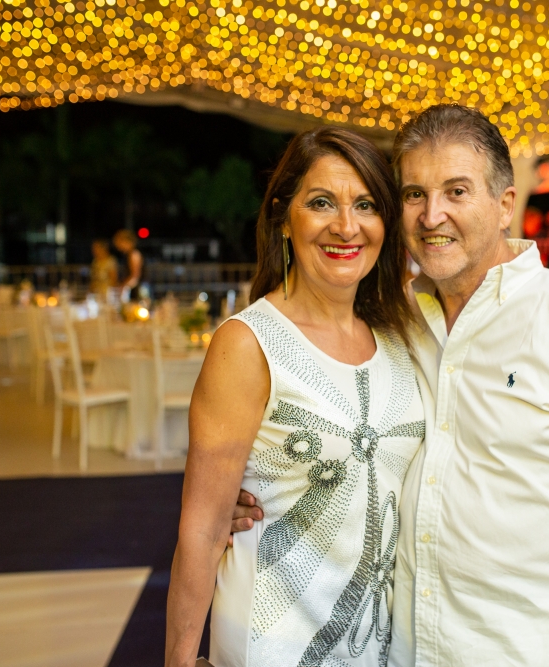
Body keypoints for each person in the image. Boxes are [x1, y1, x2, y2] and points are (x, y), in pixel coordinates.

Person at [232, 106, 549, 667]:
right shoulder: (393, 320)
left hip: (533, 652)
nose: (431, 215)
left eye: (456, 192)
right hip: (407, 650)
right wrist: (254, 495)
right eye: (414, 194)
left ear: (505, 204)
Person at [164, 127, 424, 667]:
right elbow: (203, 529)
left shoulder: (401, 341)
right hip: (271, 642)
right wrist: (180, 660)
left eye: (366, 205)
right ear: (284, 217)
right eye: (321, 202)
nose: (346, 226)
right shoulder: (248, 343)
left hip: (378, 646)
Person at [113, 229, 145, 302]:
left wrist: (123, 287)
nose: (117, 245)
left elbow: (135, 277)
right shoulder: (130, 254)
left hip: (138, 291)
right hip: (135, 289)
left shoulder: (134, 254)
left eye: (118, 241)